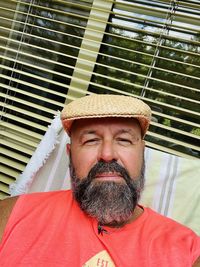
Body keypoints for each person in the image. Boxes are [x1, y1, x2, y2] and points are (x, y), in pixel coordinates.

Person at [0, 94, 199, 267]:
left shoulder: (189, 251)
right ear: (70, 155)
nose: (107, 154)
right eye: (91, 140)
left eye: (124, 140)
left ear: (142, 152)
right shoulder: (10, 216)